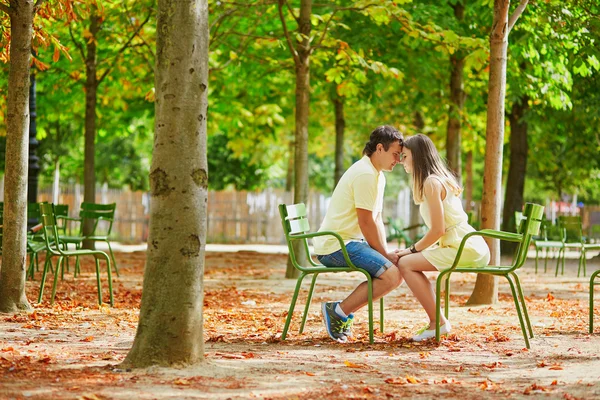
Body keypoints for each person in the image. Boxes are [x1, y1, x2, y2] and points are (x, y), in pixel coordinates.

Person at [395, 134, 490, 341]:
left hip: (464, 246)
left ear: (417, 156)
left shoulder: (431, 182)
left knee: (406, 263)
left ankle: (437, 322)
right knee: (406, 262)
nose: (401, 162)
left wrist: (410, 250)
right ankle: (437, 321)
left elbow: (438, 230)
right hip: (466, 243)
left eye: (404, 156)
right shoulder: (436, 180)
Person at [314, 125, 404, 342]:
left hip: (348, 242)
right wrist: (384, 253)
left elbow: (376, 219)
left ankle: (340, 312)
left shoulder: (377, 175)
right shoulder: (365, 174)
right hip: (335, 245)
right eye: (395, 154)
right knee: (392, 275)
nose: (398, 160)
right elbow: (365, 221)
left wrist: (385, 252)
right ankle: (338, 312)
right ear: (379, 149)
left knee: (393, 272)